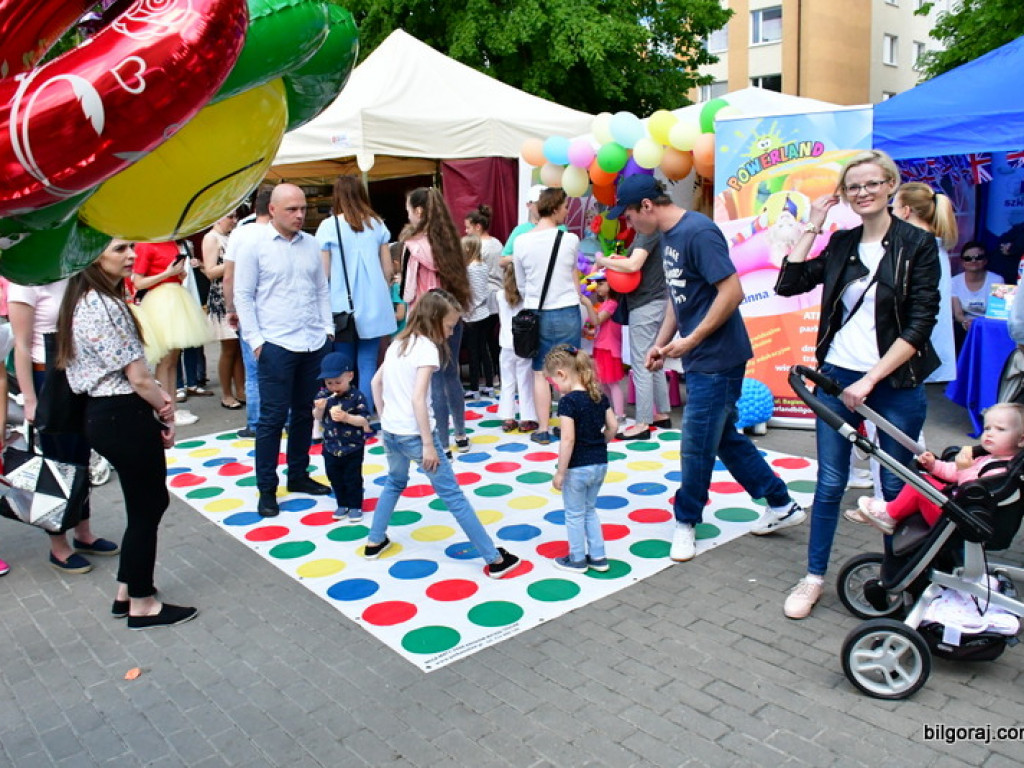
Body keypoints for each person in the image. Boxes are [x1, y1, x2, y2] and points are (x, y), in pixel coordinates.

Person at [773, 149, 941, 619]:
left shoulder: (917, 245)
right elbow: (789, 284)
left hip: (894, 379)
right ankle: (813, 579)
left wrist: (871, 379)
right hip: (837, 375)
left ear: (890, 185)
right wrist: (813, 222)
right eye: (853, 187)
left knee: (895, 488)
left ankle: (898, 583)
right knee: (829, 483)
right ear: (844, 194)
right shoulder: (843, 242)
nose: (863, 192)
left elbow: (919, 324)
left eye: (871, 184)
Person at [608, 175, 805, 567]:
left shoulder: (698, 231)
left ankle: (686, 520)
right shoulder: (666, 236)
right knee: (721, 438)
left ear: (646, 206)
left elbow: (733, 292)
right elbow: (677, 296)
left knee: (697, 442)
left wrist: (690, 340)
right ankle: (781, 502)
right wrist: (661, 344)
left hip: (718, 357)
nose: (628, 224)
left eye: (628, 216)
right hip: (702, 355)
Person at [56, 239, 197, 630]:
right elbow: (137, 376)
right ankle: (142, 601)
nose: (131, 256)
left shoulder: (86, 300)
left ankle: (127, 589)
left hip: (109, 415)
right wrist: (164, 406)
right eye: (120, 249)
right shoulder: (102, 305)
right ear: (94, 256)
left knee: (143, 505)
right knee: (149, 505)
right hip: (121, 413)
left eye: (130, 247)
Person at [363, 288, 521, 578]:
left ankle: (375, 540)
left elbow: (375, 382)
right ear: (434, 320)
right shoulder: (426, 348)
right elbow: (418, 398)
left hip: (392, 433)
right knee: (454, 497)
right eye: (449, 326)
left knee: (394, 482)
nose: (450, 333)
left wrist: (386, 418)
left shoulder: (399, 342)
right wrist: (428, 444)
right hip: (416, 435)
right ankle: (494, 558)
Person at [234, 184, 333, 518]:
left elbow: (321, 289)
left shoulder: (312, 244)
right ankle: (266, 488)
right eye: (292, 209)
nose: (300, 214)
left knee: (306, 412)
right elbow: (243, 295)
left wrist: (327, 330)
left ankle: (299, 475)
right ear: (272, 210)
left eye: (303, 208)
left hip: (312, 341)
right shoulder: (254, 244)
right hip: (276, 343)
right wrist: (257, 342)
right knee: (272, 419)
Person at [8, 279, 118, 574]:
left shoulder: (71, 272)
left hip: (77, 374)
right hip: (47, 380)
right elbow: (21, 345)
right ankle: (58, 545)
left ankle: (84, 532)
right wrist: (30, 399)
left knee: (81, 457)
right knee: (56, 465)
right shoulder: (26, 281)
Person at [851, 402, 1024, 534]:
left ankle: (890, 514)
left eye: (1000, 429)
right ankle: (894, 510)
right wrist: (934, 465)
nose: (990, 433)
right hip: (957, 510)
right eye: (987, 428)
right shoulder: (987, 457)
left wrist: (965, 469)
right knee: (925, 479)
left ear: (1021, 440)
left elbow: (973, 492)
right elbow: (953, 473)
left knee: (920, 488)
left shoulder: (1001, 471)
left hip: (960, 520)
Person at [315, 175, 396, 415]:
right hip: (374, 303)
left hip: (341, 306)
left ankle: (344, 412)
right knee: (369, 362)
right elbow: (388, 270)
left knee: (343, 364)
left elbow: (324, 272)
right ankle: (365, 413)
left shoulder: (329, 226)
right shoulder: (376, 224)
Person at [401, 187, 472, 454]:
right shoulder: (451, 243)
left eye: (408, 209)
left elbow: (408, 292)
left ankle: (441, 442)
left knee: (434, 380)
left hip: (428, 319)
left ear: (418, 212)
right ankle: (461, 434)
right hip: (453, 315)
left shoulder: (412, 247)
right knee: (451, 375)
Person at [513, 187, 582, 445]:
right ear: (554, 209)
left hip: (535, 312)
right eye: (565, 206)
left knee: (540, 372)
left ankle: (543, 428)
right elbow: (572, 273)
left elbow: (521, 283)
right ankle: (568, 428)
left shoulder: (521, 241)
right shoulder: (570, 240)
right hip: (566, 309)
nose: (567, 211)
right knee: (569, 371)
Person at [545, 344, 617, 573]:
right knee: (590, 510)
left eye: (555, 383)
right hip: (600, 463)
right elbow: (613, 426)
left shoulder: (568, 402)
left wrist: (560, 471)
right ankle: (598, 556)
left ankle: (577, 558)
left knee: (574, 514)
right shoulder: (598, 395)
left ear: (561, 374)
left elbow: (567, 440)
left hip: (577, 467)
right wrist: (600, 443)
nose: (557, 389)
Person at [595, 231, 671, 439]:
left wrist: (603, 261)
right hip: (655, 301)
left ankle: (643, 423)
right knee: (653, 359)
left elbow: (632, 266)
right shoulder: (656, 233)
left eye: (629, 214)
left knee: (642, 362)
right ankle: (661, 414)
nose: (628, 221)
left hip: (645, 303)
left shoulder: (648, 234)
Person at [131, 240, 210, 426]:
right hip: (161, 301)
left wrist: (177, 275)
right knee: (165, 360)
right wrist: (168, 273)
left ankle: (172, 406)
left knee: (173, 359)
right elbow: (138, 282)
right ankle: (164, 409)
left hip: (175, 297)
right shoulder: (146, 245)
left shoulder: (171, 243)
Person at [892, 182, 958, 382]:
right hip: (924, 350)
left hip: (918, 352)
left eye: (893, 208)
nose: (890, 214)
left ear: (906, 211)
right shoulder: (933, 246)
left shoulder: (917, 248)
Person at [223, 188, 271, 438]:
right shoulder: (279, 234)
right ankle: (282, 418)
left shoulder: (240, 233)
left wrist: (231, 307)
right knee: (279, 368)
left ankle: (255, 423)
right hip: (275, 310)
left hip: (248, 308)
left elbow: (229, 275)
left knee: (253, 370)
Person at [313, 352, 371, 524]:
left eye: (338, 382)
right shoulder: (323, 396)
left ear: (350, 376)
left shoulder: (356, 396)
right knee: (334, 476)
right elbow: (316, 417)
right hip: (330, 446)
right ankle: (342, 503)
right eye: (329, 383)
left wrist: (347, 418)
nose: (333, 387)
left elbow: (364, 420)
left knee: (352, 477)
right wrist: (320, 408)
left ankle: (355, 505)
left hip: (353, 446)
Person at [202, 210, 246, 409]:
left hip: (235, 295)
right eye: (230, 217)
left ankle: (241, 389)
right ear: (218, 217)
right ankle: (226, 393)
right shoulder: (211, 238)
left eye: (235, 217)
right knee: (228, 349)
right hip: (221, 299)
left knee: (238, 348)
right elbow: (210, 271)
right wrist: (233, 263)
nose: (234, 221)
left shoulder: (231, 236)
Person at [494, 264, 537, 432]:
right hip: (523, 345)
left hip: (505, 345)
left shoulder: (499, 295)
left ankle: (508, 417)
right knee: (525, 382)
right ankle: (527, 418)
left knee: (507, 382)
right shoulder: (527, 297)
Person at [579, 272, 626, 425]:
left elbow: (597, 320)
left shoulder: (612, 303)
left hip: (609, 348)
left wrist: (587, 304)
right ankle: (610, 411)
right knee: (604, 383)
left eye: (601, 284)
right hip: (601, 346)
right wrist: (589, 332)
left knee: (612, 383)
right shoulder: (605, 304)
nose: (597, 288)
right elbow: (597, 327)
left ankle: (620, 414)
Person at [464, 204, 503, 375]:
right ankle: (495, 372)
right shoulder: (497, 243)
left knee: (483, 341)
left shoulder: (479, 248)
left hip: (484, 298)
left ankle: (488, 375)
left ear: (477, 226)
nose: (466, 232)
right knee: (491, 338)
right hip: (498, 295)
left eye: (468, 227)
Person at [461, 234, 495, 398]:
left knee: (473, 352)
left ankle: (474, 388)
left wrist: (465, 310)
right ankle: (489, 384)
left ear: (467, 249)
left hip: (472, 314)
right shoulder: (482, 266)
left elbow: (469, 292)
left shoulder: (469, 268)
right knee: (484, 349)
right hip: (485, 312)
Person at [951, 241, 1001, 352]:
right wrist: (965, 323)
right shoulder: (954, 282)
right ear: (962, 262)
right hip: (965, 326)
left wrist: (979, 325)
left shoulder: (997, 280)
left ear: (985, 261)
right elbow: (958, 314)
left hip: (988, 326)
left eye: (978, 257)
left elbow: (996, 313)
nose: (973, 261)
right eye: (968, 258)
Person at [501, 185, 545, 262]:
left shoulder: (560, 229)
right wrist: (521, 257)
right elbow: (503, 260)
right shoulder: (520, 230)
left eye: (545, 203)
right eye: (539, 203)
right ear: (529, 205)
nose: (543, 207)